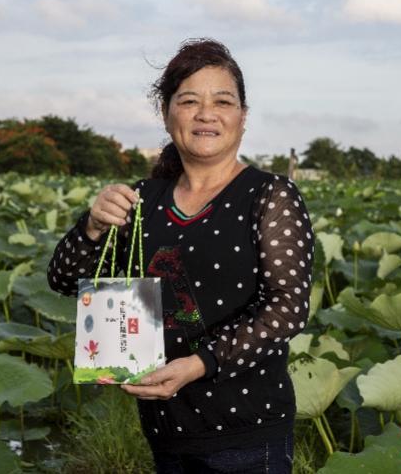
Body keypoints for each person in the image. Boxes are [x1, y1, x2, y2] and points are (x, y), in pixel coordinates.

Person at [46, 38, 314, 473]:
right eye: (189, 100)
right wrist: (92, 226)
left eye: (222, 101)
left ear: (242, 117)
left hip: (245, 435)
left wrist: (199, 363)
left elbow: (287, 308)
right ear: (166, 113)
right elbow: (61, 278)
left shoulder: (269, 195)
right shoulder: (143, 198)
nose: (206, 114)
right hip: (166, 431)